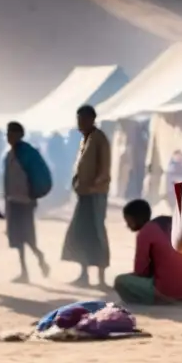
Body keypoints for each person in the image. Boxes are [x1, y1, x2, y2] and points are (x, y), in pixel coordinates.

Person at [61, 105, 111, 287]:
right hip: (84, 194)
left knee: (97, 231)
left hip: (96, 194)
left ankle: (101, 278)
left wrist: (93, 186)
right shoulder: (85, 140)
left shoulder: (99, 139)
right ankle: (84, 274)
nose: (79, 124)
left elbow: (104, 169)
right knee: (82, 231)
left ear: (91, 119)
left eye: (82, 119)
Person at [114, 199, 182, 305]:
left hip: (170, 292)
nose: (128, 225)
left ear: (137, 218)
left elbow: (141, 271)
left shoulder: (145, 232)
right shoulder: (170, 222)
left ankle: (157, 300)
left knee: (120, 281)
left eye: (129, 221)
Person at [3, 121, 51, 283]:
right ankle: (24, 272)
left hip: (25, 202)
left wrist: (33, 195)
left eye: (11, 133)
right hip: (13, 201)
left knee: (27, 237)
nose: (8, 137)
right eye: (7, 133)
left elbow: (37, 175)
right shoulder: (10, 154)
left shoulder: (28, 153)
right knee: (17, 238)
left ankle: (40, 258)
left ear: (19, 135)